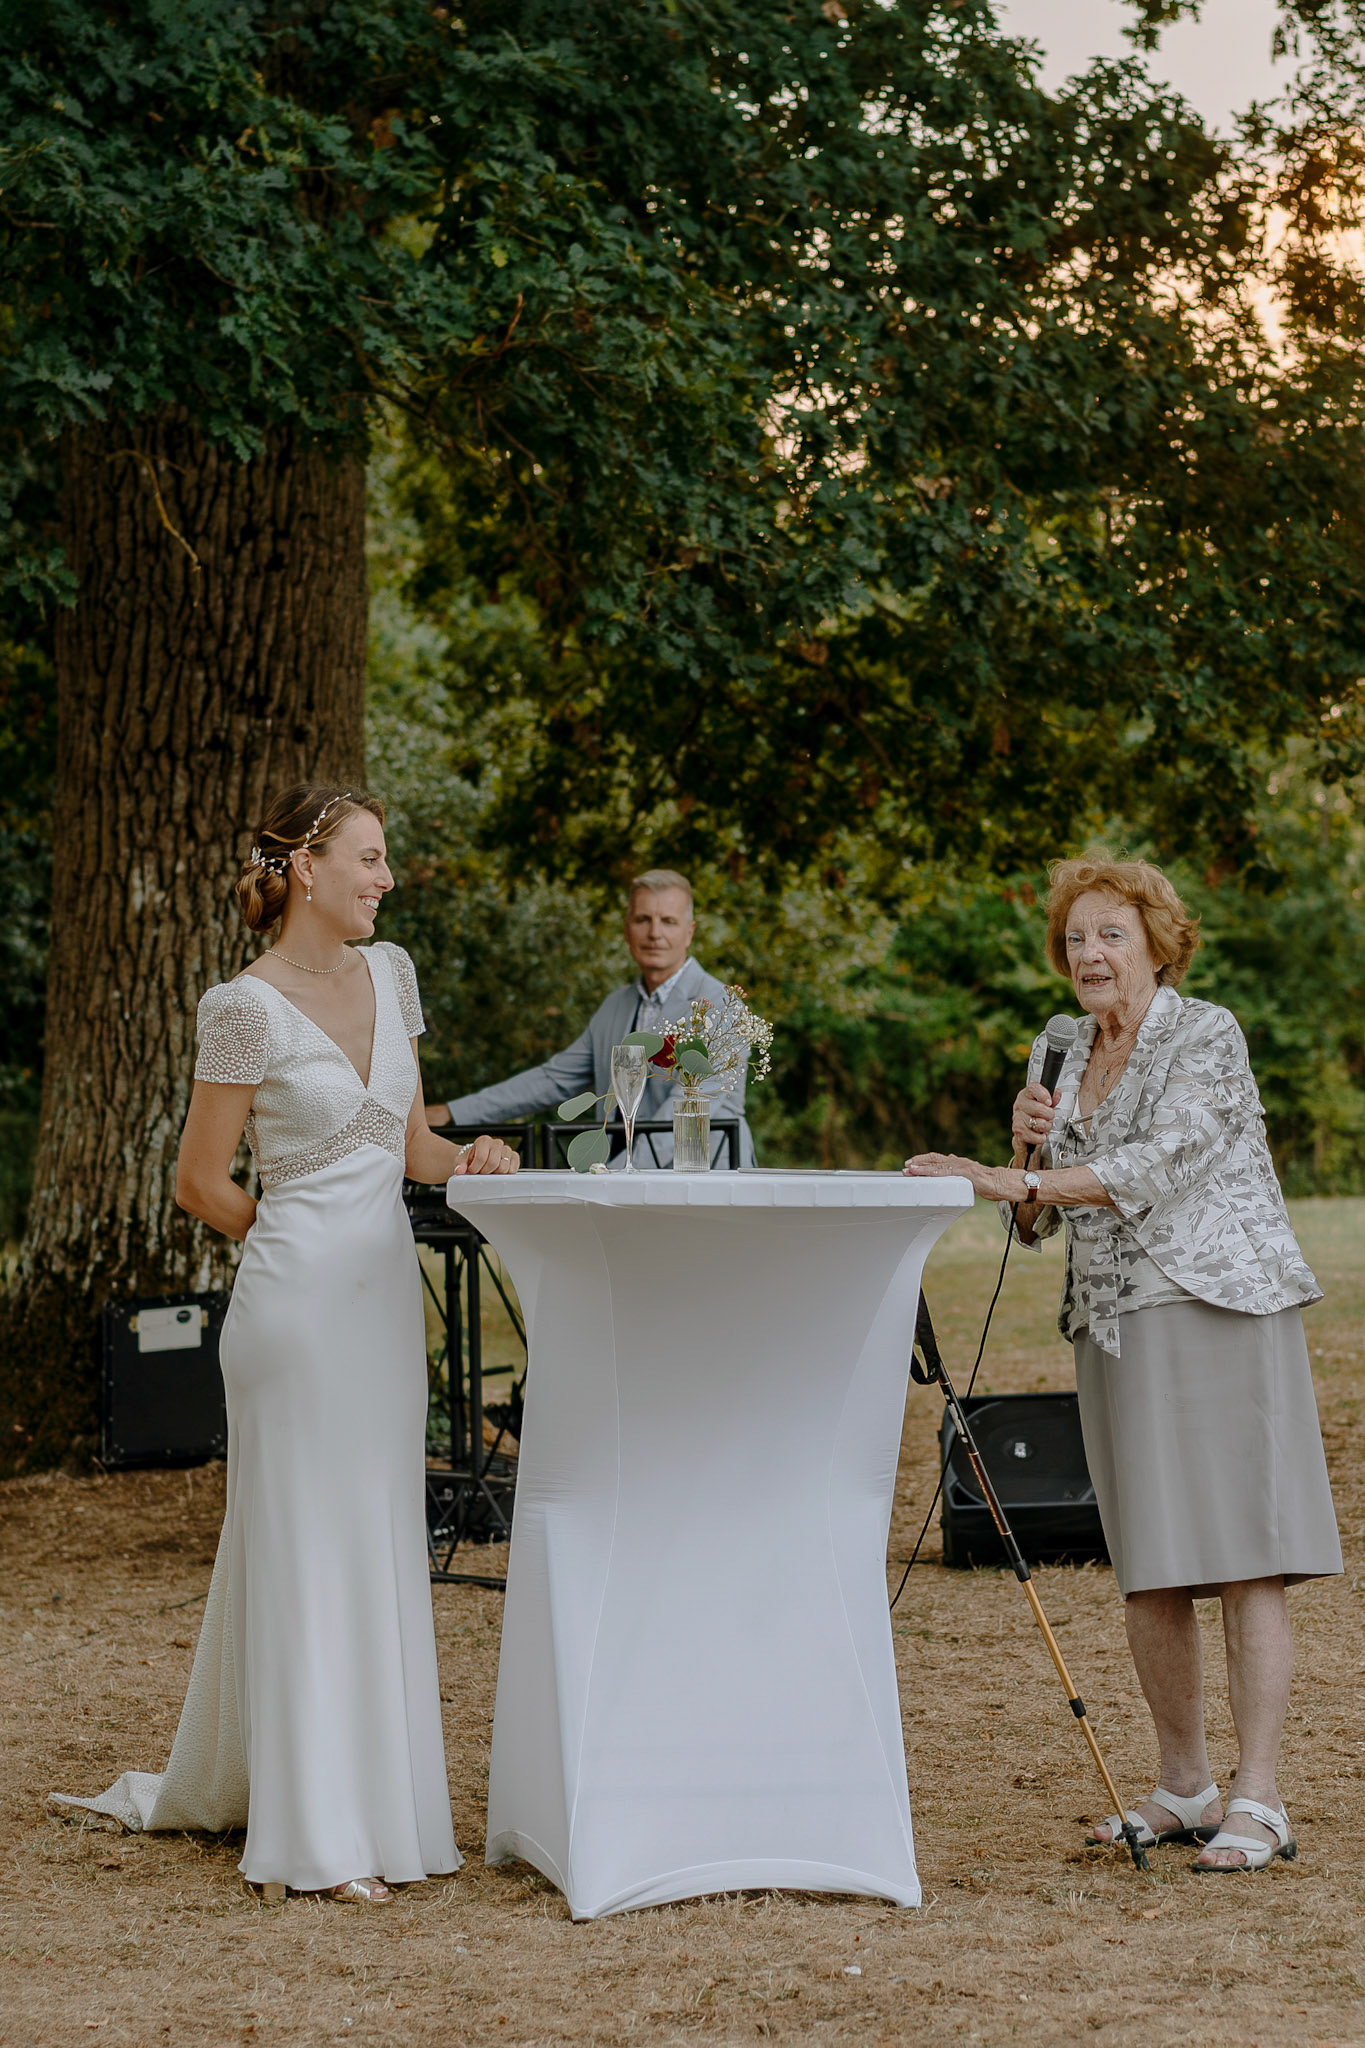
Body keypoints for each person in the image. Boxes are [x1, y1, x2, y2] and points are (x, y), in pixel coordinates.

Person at [52, 785, 518, 1904]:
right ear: (308, 866)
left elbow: (411, 1146)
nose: (386, 878)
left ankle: (378, 1809)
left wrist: (476, 1155)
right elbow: (199, 1182)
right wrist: (293, 1237)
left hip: (381, 1309)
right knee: (309, 1548)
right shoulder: (241, 1006)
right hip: (295, 1314)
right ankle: (315, 1837)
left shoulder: (393, 973)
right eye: (370, 857)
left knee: (372, 1540)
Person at [904, 854, 1341, 1872]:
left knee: (1243, 1552)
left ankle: (1260, 1798)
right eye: (1074, 937)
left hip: (1214, 1304)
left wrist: (1014, 1178)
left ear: (1156, 941)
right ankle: (1184, 1785)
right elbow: (1036, 1225)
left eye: (1110, 932)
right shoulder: (1060, 1046)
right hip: (1107, 1323)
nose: (1089, 953)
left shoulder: (1206, 1032)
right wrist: (1024, 1164)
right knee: (1149, 1560)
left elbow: (1160, 1163)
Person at [428, 868, 756, 1166]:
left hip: (708, 1185)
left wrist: (614, 1178)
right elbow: (552, 1079)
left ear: (690, 932)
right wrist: (455, 1112)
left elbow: (685, 1111)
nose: (654, 933)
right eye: (643, 919)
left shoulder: (721, 1006)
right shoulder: (615, 1006)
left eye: (668, 921)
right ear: (627, 929)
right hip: (621, 1187)